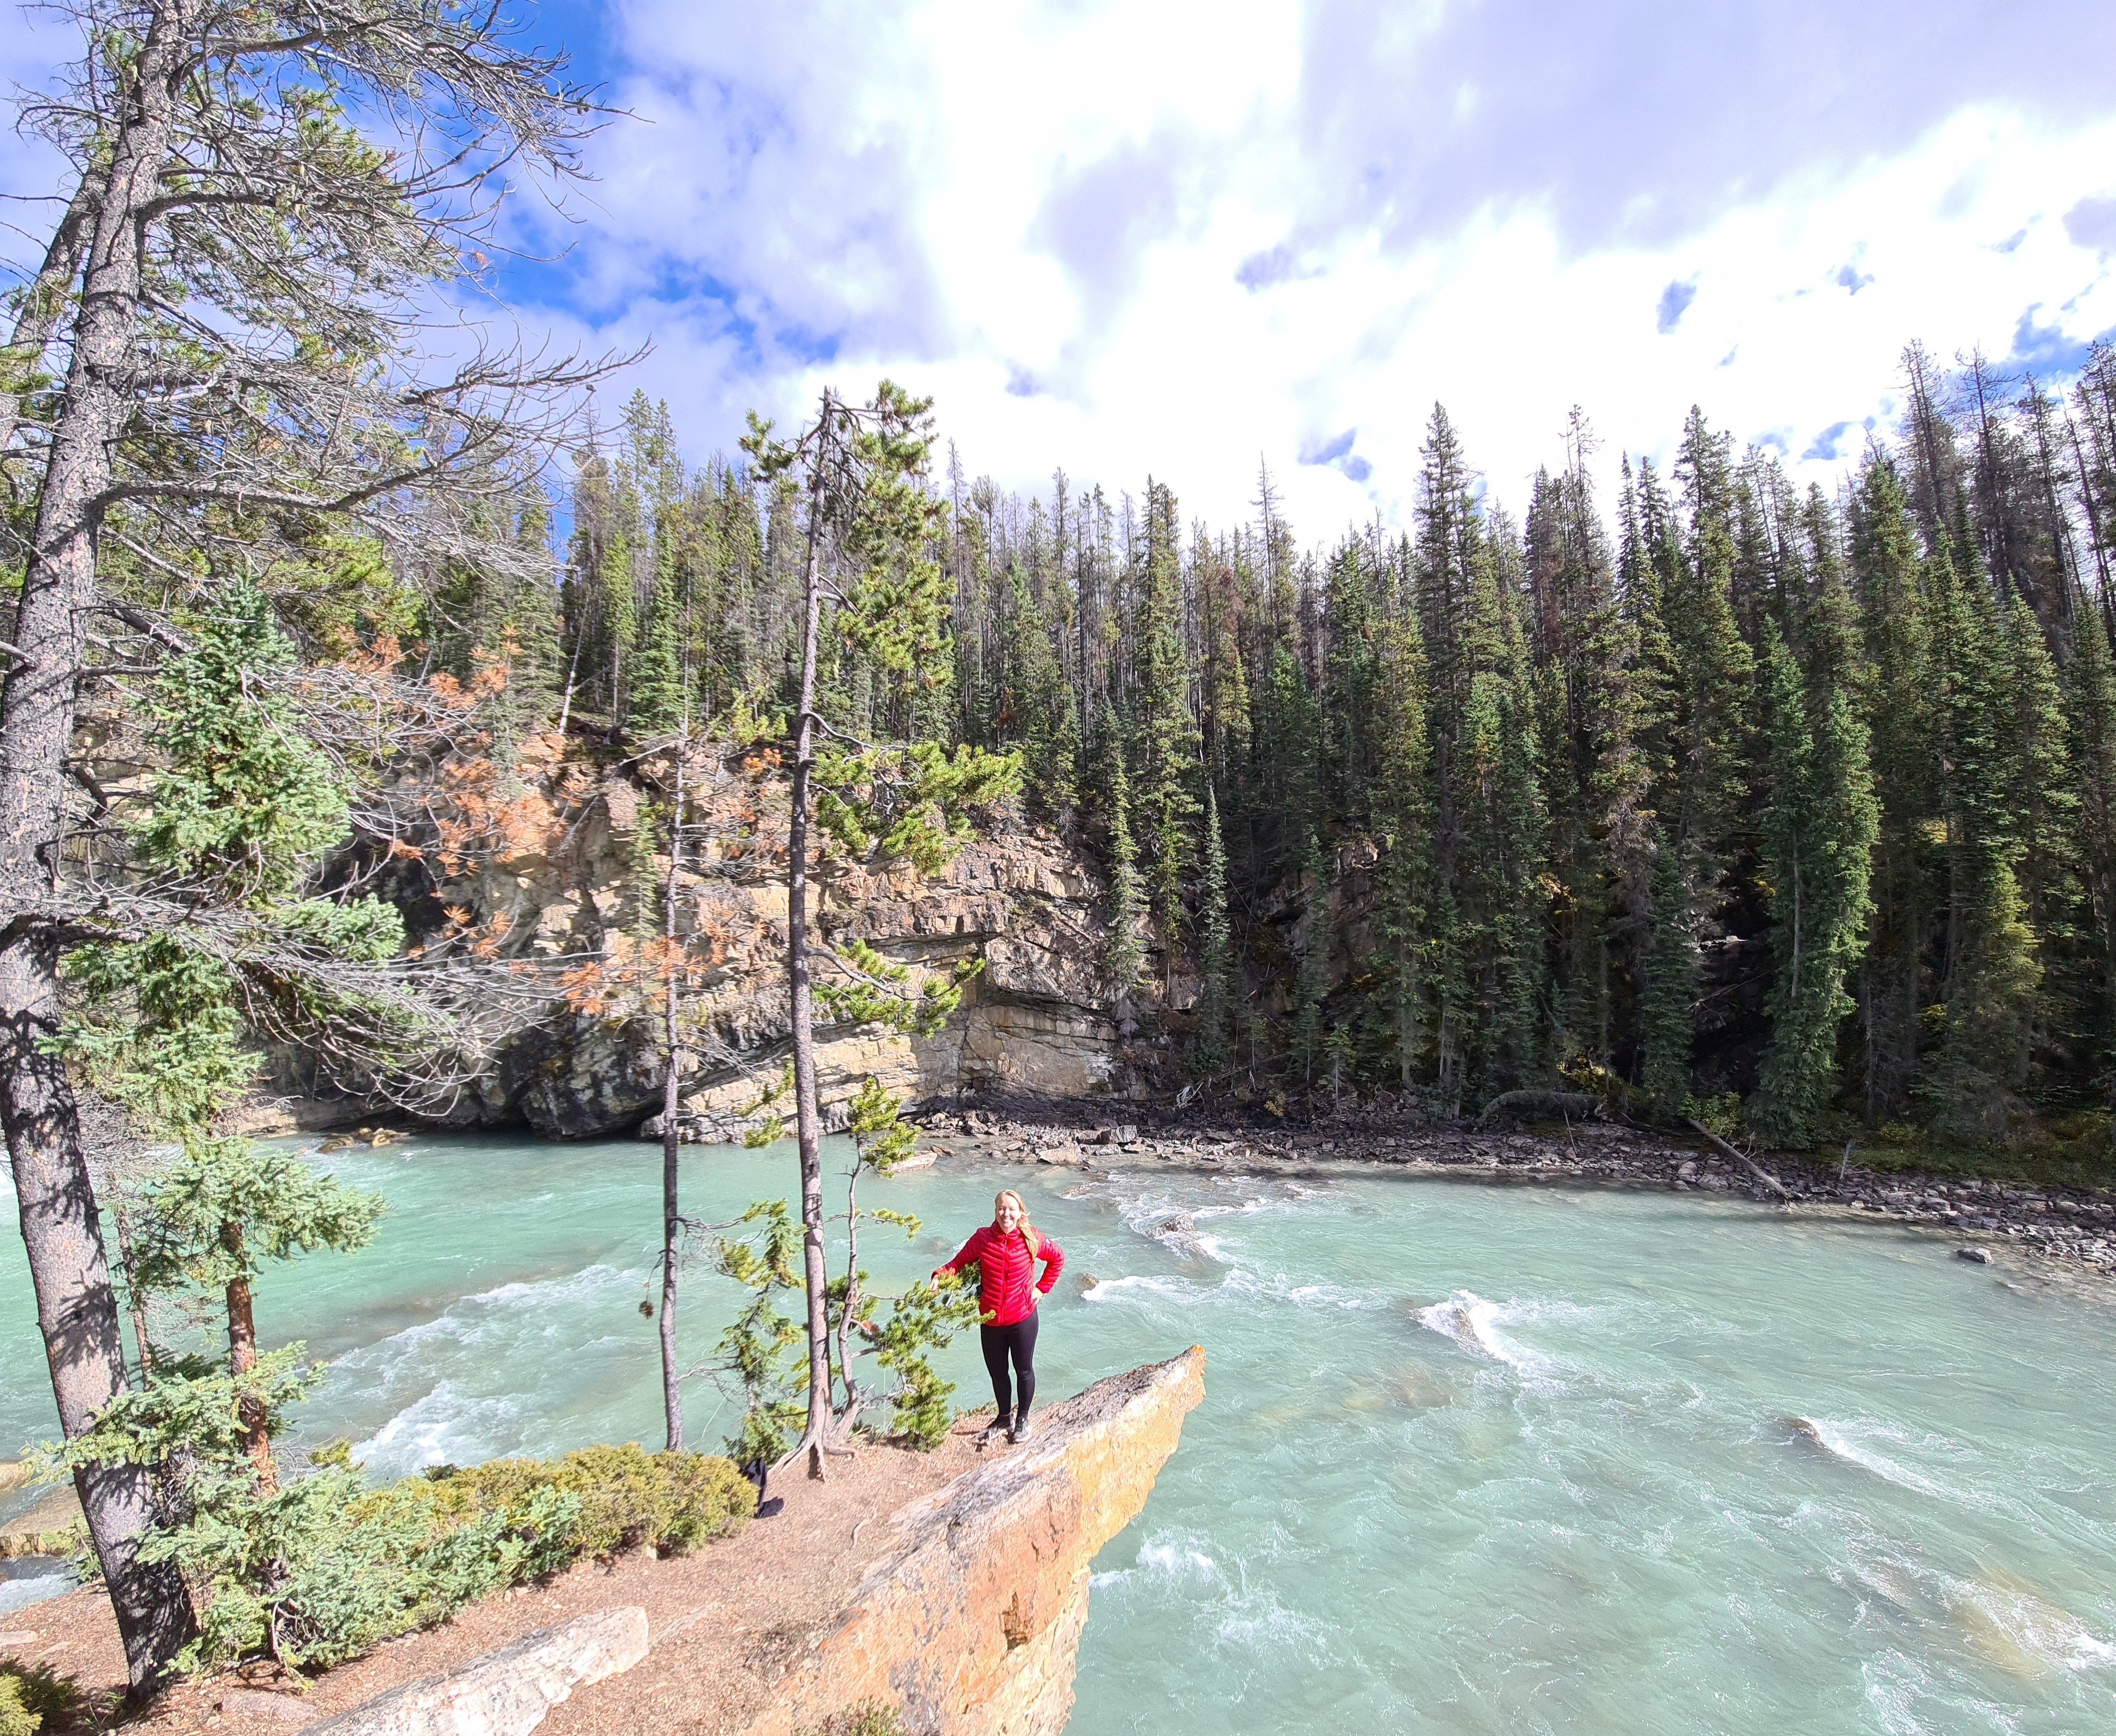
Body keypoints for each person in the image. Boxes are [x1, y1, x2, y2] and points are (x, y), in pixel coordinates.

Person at [933, 1190, 1064, 1444]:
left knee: (1023, 1370)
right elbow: (958, 1263)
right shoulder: (983, 1239)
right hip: (991, 1320)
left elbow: (1057, 1258)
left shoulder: (1031, 1237)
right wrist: (939, 1276)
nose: (1007, 1214)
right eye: (1001, 1209)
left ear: (1020, 1212)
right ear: (995, 1212)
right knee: (998, 1373)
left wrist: (1041, 1289)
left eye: (1012, 1209)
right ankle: (1004, 1417)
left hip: (1023, 1319)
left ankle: (1023, 1419)